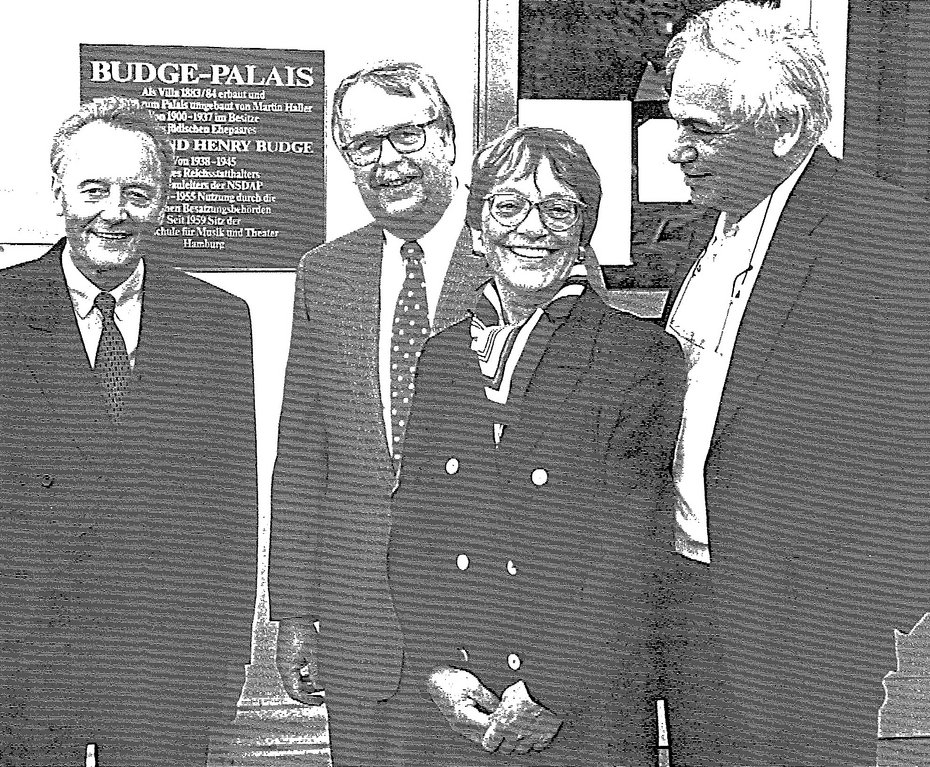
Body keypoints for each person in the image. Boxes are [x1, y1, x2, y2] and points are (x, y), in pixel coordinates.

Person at [662, 2, 930, 763]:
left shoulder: (886, 234)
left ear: (782, 128)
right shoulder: (699, 228)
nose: (676, 149)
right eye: (675, 123)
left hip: (805, 633)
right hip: (688, 599)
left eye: (701, 129)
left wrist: (860, 615)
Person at [387, 125, 700, 766]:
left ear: (583, 233)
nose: (533, 228)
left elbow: (632, 552)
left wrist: (550, 691)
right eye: (508, 206)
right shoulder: (443, 355)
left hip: (583, 710)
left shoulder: (638, 353)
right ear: (478, 231)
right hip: (465, 709)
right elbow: (418, 530)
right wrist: (436, 667)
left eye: (559, 209)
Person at [0, 96, 257, 766]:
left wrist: (223, 663)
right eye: (94, 190)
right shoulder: (3, 311)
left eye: (137, 193)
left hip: (162, 666)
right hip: (24, 664)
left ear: (162, 204)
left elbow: (229, 509)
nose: (114, 212)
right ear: (58, 192)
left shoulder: (217, 320)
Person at [268, 61, 489, 765]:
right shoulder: (325, 274)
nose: (387, 161)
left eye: (405, 135)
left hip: (491, 622)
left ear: (447, 137)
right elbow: (303, 453)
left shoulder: (523, 254)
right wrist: (295, 611)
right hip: (363, 627)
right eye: (363, 145)